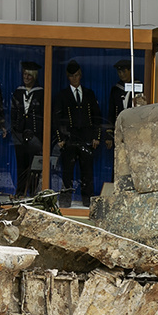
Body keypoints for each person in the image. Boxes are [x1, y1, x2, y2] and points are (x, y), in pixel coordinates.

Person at [53, 60, 101, 208]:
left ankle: (88, 202)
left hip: (86, 137)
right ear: (68, 77)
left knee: (87, 172)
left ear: (81, 75)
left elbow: (96, 116)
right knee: (67, 173)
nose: (75, 78)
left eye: (77, 75)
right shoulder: (62, 95)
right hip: (69, 138)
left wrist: (96, 137)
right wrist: (60, 138)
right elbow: (56, 118)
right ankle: (66, 203)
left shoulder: (89, 93)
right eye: (72, 76)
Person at [11, 61, 45, 197]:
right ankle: (19, 192)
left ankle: (32, 194)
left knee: (35, 167)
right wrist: (15, 131)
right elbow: (13, 113)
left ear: (34, 76)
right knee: (21, 165)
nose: (26, 77)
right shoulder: (18, 92)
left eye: (29, 75)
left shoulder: (41, 93)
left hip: (35, 135)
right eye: (24, 74)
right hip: (19, 135)